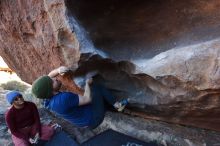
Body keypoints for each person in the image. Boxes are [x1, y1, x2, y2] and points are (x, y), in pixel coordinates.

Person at [31, 66, 128, 129]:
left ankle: (108, 106)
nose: (55, 78)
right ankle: (117, 105)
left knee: (99, 99)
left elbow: (48, 78)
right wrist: (87, 84)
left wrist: (58, 70)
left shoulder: (47, 97)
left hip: (84, 122)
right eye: (53, 81)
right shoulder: (63, 99)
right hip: (93, 119)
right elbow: (87, 99)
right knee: (95, 88)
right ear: (51, 90)